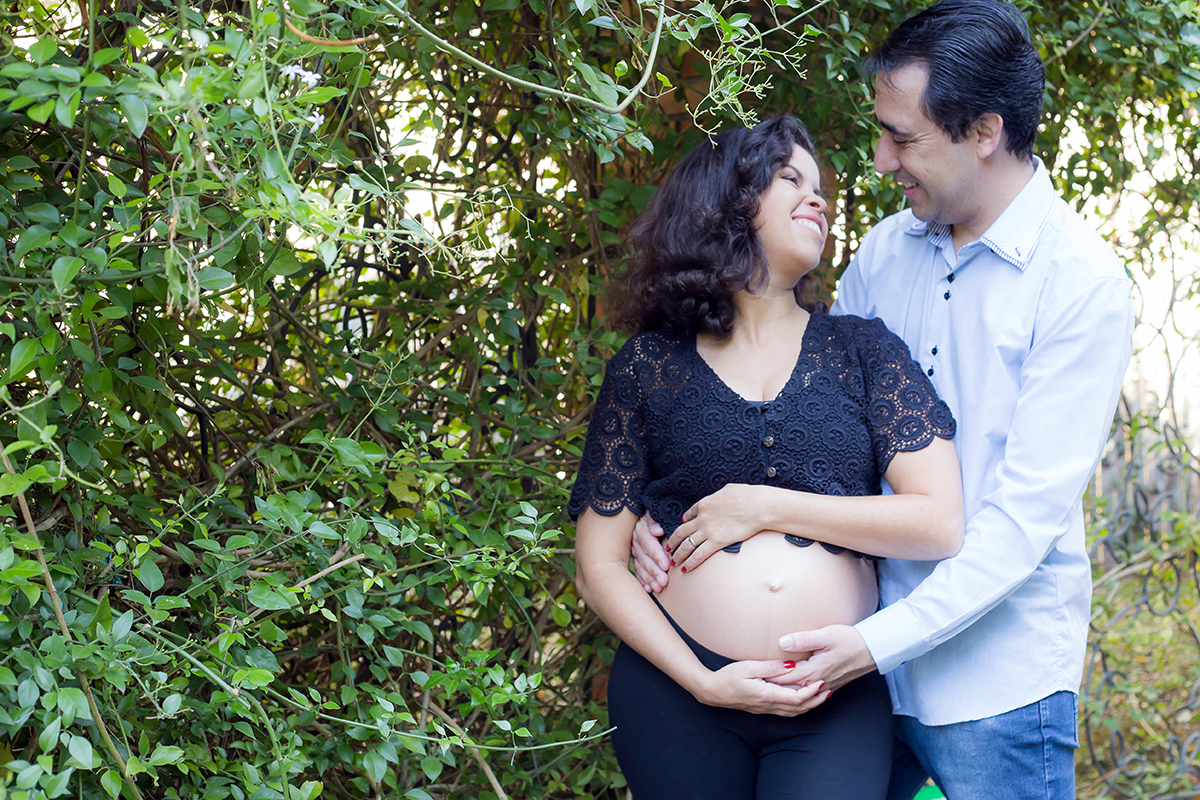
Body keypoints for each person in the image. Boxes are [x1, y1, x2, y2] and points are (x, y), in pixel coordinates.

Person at [630, 2, 1135, 798]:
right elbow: (817, 434)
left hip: (990, 689)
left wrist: (870, 643)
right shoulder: (884, 253)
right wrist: (675, 522)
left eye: (902, 138)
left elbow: (1016, 527)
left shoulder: (1081, 286)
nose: (878, 160)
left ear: (985, 131)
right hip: (845, 684)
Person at [569, 114, 964, 799]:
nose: (819, 200)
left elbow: (937, 523)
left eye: (820, 188)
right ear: (726, 202)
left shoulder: (864, 351)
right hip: (676, 691)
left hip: (831, 694)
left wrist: (762, 507)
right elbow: (597, 564)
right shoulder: (647, 367)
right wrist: (704, 682)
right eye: (790, 180)